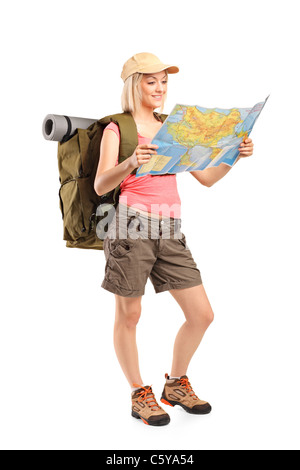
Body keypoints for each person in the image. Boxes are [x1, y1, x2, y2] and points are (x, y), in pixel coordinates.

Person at [94, 52, 254, 426]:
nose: (160, 88)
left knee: (202, 314)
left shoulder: (172, 127)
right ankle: (139, 393)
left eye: (164, 81)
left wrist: (235, 156)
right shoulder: (117, 130)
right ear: (135, 84)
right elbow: (101, 184)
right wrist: (131, 161)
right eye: (152, 81)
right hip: (130, 227)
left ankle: (176, 385)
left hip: (171, 228)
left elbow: (207, 178)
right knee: (130, 315)